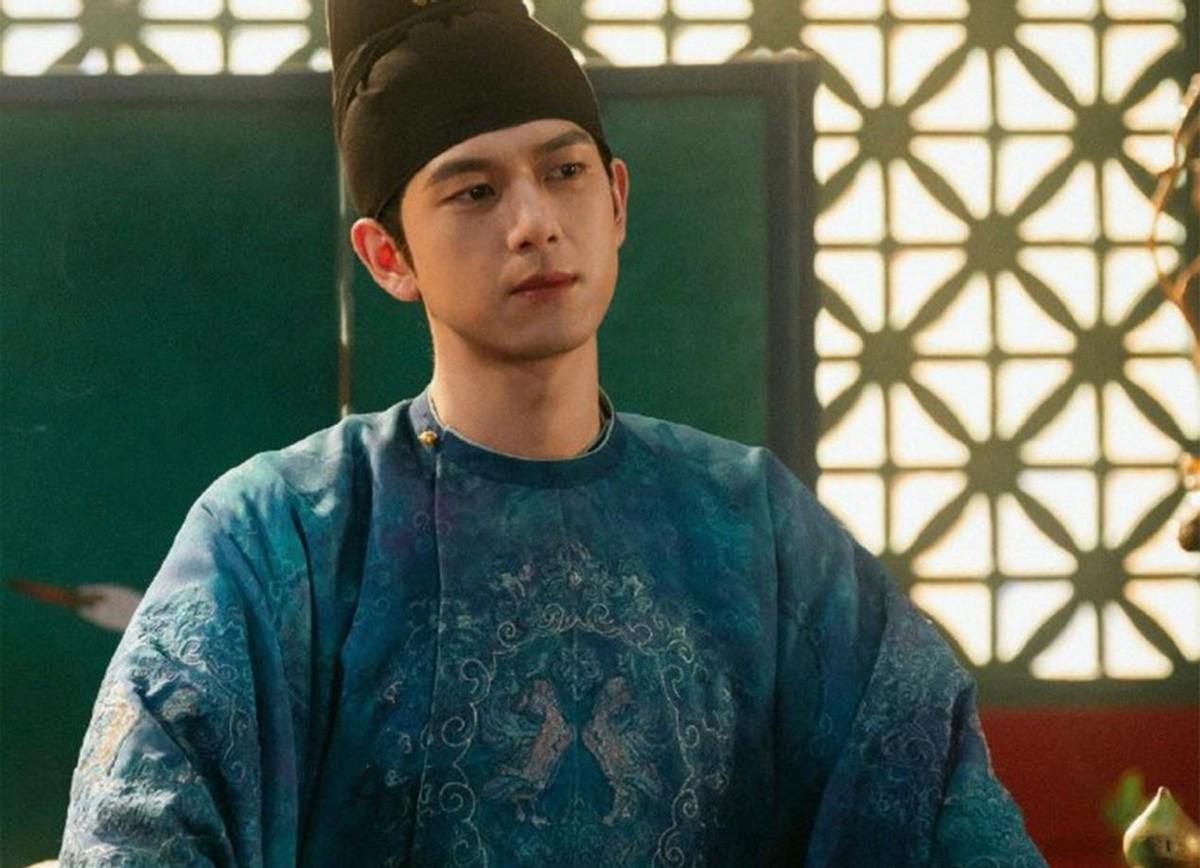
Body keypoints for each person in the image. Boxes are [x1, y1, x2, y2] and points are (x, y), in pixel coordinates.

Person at [58, 1, 1047, 865]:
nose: (534, 221)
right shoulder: (281, 539)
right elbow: (141, 833)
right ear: (388, 255)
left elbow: (937, 806)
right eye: (474, 190)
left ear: (615, 200)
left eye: (563, 171)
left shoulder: (758, 533)